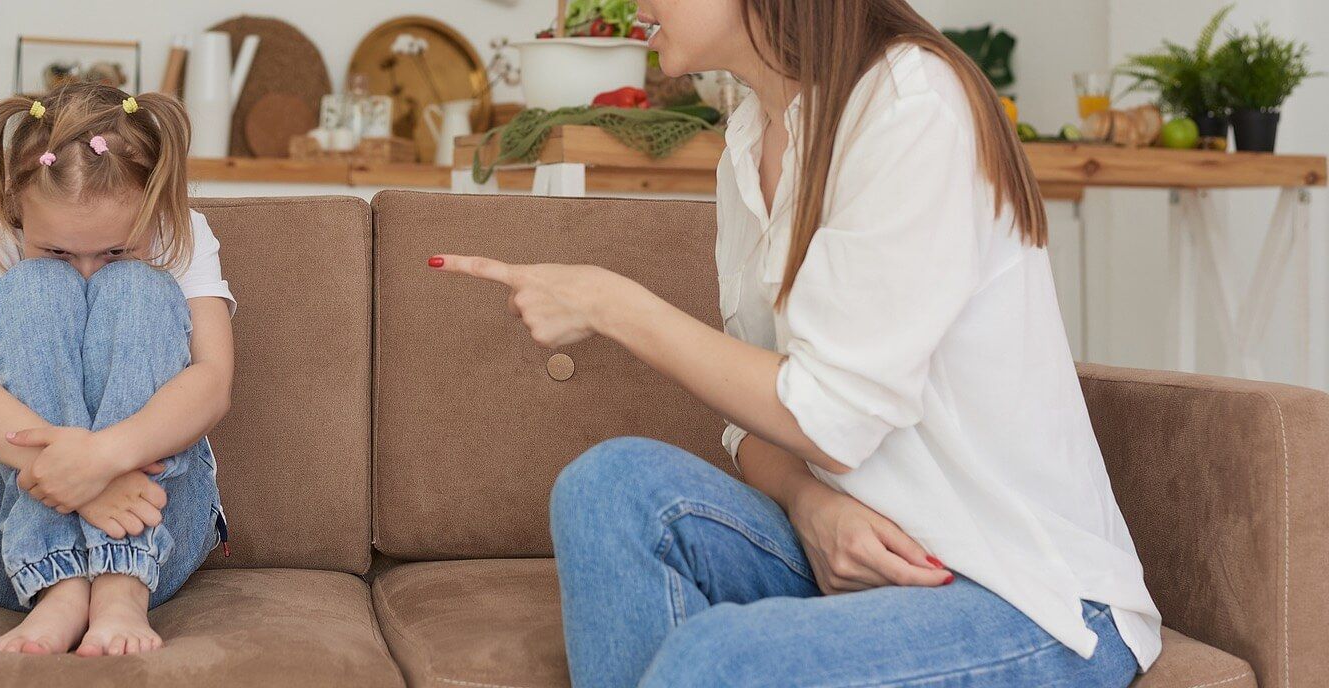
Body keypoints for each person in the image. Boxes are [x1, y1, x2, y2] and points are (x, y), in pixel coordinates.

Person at [430, 0, 1161, 685]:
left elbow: (831, 417)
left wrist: (612, 304)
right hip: (860, 554)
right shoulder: (749, 142)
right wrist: (811, 503)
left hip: (1019, 591)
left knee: (720, 660)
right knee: (607, 489)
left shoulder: (912, 105)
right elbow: (756, 416)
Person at [0, 82, 233, 656]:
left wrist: (102, 459)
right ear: (18, 213)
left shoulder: (183, 232)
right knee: (37, 289)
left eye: (116, 249)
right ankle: (59, 589)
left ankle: (119, 586)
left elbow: (212, 384)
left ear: (158, 208)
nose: (88, 270)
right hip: (0, 540)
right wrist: (75, 481)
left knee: (137, 289)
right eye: (60, 251)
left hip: (152, 537)